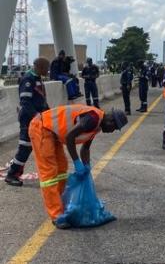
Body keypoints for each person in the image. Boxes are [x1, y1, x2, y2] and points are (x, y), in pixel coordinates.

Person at [28, 104, 127, 228]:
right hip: (41, 128)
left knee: (62, 168)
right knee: (49, 173)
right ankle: (56, 215)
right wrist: (76, 162)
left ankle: (62, 206)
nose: (112, 131)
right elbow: (70, 137)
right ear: (111, 120)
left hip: (52, 133)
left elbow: (85, 148)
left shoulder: (97, 126)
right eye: (114, 128)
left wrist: (87, 166)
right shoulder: (93, 118)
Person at [5, 58, 50, 187]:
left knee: (35, 146)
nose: (47, 70)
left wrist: (48, 113)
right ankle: (12, 175)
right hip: (28, 119)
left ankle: (16, 172)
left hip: (37, 119)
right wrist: (37, 116)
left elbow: (41, 100)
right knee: (25, 147)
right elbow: (25, 102)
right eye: (46, 67)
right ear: (39, 66)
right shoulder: (28, 79)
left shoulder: (37, 79)